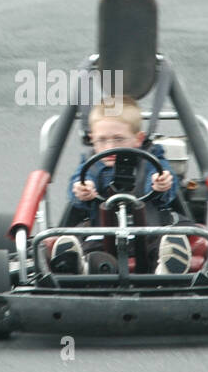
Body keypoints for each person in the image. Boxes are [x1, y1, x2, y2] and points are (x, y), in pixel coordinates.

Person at [50, 95, 193, 275]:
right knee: (91, 248)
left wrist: (160, 184)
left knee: (165, 241)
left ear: (138, 139)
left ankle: (166, 269)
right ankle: (79, 266)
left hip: (149, 231)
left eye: (118, 139)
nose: (110, 146)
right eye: (102, 140)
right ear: (92, 139)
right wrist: (82, 190)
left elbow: (163, 178)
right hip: (103, 233)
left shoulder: (151, 159)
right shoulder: (90, 165)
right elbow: (79, 184)